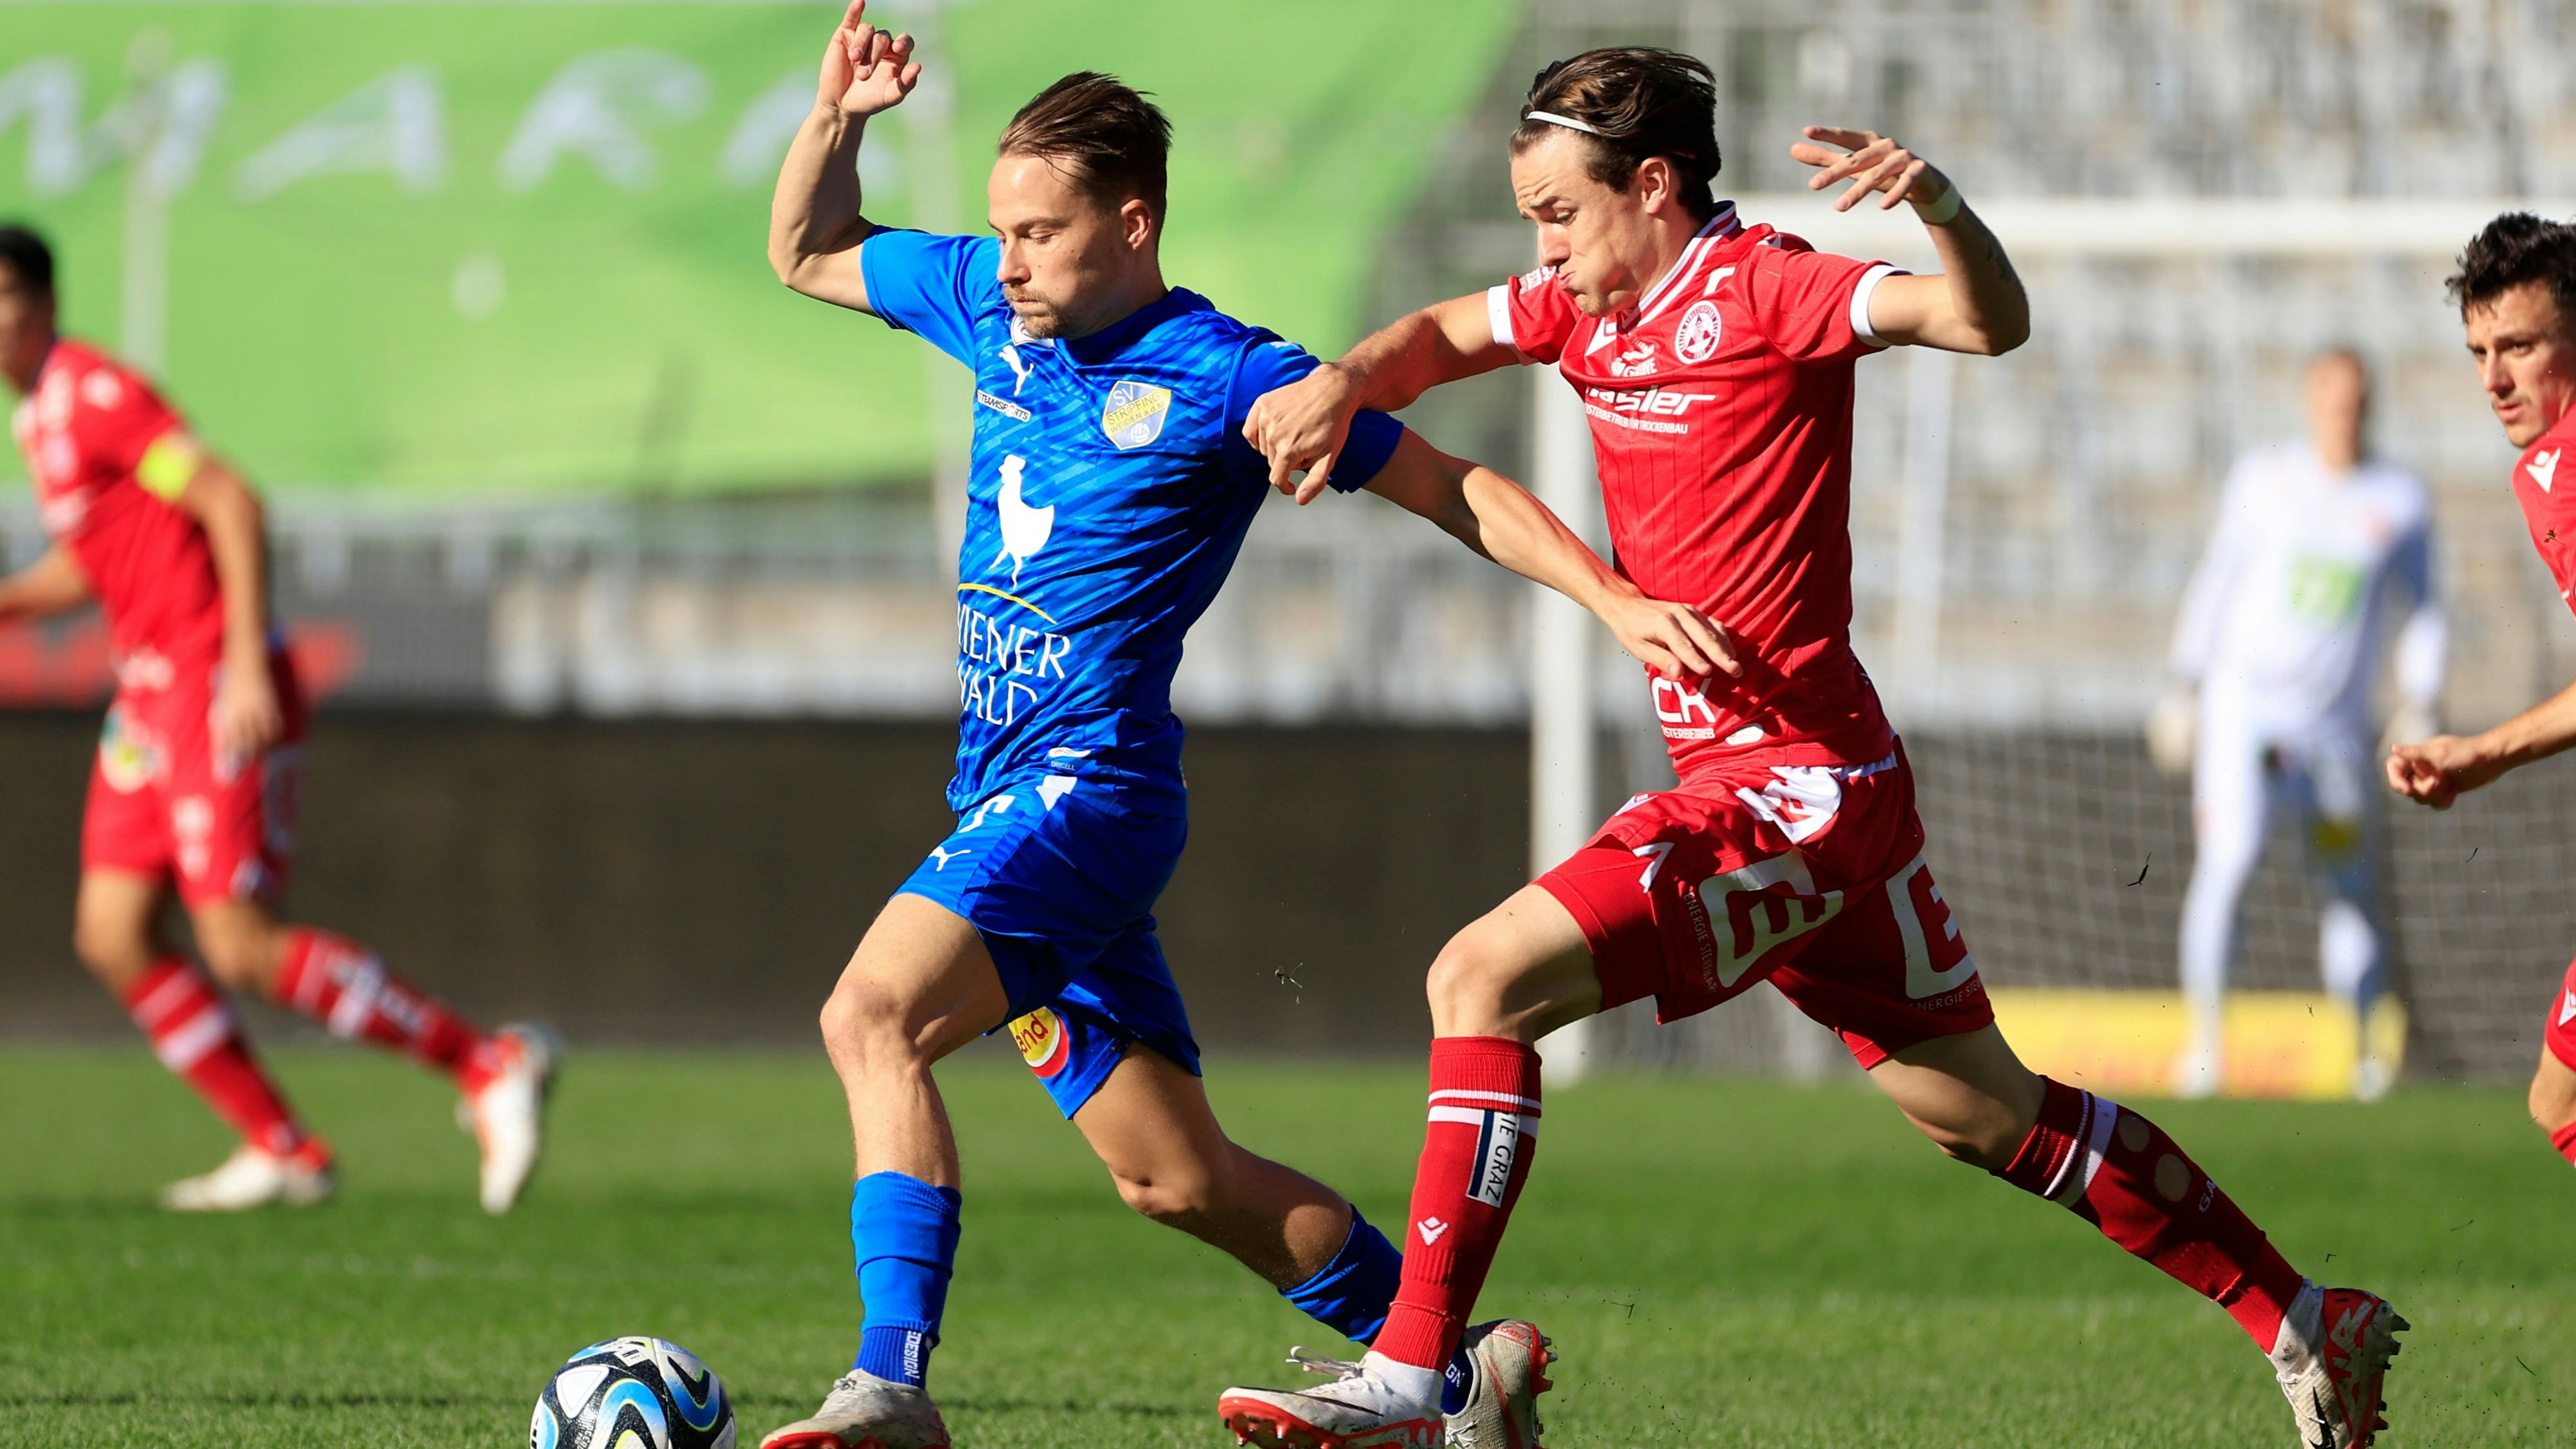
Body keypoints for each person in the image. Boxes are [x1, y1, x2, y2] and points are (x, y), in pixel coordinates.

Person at [1221, 47, 2404, 1449]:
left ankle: (1425, 1377)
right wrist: (1345, 378)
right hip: (1822, 790)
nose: (1538, 248)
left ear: (1650, 188)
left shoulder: (1767, 286)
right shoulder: (1579, 307)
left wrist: (1945, 210)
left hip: (1791, 791)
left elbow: (1983, 324)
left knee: (1475, 978)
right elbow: (1436, 336)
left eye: (1556, 212)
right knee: (1985, 1116)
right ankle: (2300, 1313)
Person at [758, 11, 1730, 1448]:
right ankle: (1461, 1377)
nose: (1009, 257)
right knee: (1177, 1180)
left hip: (1088, 799)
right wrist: (836, 111)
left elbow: (1448, 487)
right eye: (1000, 229)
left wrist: (1609, 597)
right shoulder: (983, 303)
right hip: (1000, 803)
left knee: (869, 1017)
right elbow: (805, 248)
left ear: (1132, 222)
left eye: (1040, 230)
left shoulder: (1227, 376)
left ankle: (889, 1387)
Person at [0, 224, 555, 1214]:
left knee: (241, 944)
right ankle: (283, 1145)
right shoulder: (39, 417)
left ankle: (488, 1060)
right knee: (112, 930)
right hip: (147, 692)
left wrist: (246, 661)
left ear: (39, 301)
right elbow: (99, 561)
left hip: (209, 674)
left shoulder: (93, 392)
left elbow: (230, 499)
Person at [2150, 348, 2445, 1101]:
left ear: (2370, 405)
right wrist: (2185, 683)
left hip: (2336, 734)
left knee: (2347, 889)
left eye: (2357, 400)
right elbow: (2219, 576)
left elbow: (2424, 609)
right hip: (2243, 714)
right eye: (2332, 398)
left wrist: (2420, 699)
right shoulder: (2266, 479)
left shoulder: (2400, 500)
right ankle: (2206, 1051)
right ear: (2310, 400)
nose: (2343, 413)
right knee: (2231, 860)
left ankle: (2363, 1061)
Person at [2389, 211, 2576, 1173]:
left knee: (2563, 1096)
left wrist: (2483, 753)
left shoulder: (2561, 468)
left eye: (2521, 346)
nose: (2494, 379)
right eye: (2479, 351)